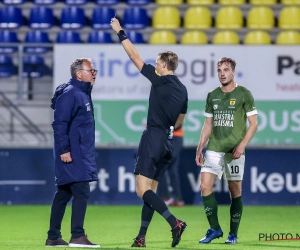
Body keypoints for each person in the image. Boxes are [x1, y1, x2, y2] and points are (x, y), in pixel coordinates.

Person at [110, 18, 188, 248]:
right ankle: (141, 237)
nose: (155, 66)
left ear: (164, 65)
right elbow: (181, 119)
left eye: (157, 63)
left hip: (153, 137)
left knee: (141, 190)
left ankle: (175, 223)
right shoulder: (182, 89)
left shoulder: (160, 80)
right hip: (168, 141)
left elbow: (134, 57)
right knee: (152, 192)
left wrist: (120, 32)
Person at [195, 57, 258, 245]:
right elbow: (207, 125)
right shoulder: (212, 95)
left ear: (233, 72)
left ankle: (233, 233)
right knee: (205, 186)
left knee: (235, 191)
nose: (222, 73)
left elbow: (253, 124)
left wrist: (242, 145)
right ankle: (214, 228)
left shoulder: (244, 94)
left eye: (226, 70)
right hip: (214, 148)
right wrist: (200, 147)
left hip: (235, 150)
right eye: (219, 70)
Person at [45, 58, 100, 248]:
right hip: (72, 152)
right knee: (81, 189)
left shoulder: (81, 92)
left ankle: (53, 237)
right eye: (91, 70)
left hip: (78, 150)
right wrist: (64, 150)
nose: (94, 73)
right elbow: (59, 124)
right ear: (79, 74)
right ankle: (77, 235)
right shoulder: (71, 94)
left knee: (64, 192)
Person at [157, 127, 185, 207]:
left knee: (161, 166)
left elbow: (178, 123)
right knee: (173, 170)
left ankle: (166, 197)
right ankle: (177, 198)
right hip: (164, 137)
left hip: (175, 137)